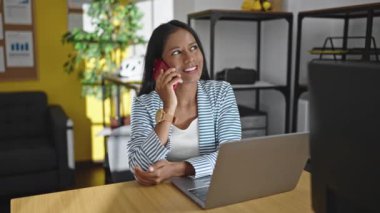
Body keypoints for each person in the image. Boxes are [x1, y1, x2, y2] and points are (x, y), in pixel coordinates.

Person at [128, 20, 241, 186]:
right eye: (176, 52)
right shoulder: (143, 104)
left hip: (212, 189)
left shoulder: (221, 93)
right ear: (159, 65)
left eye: (193, 48)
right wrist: (168, 108)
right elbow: (139, 166)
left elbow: (231, 156)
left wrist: (178, 169)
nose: (190, 58)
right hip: (162, 194)